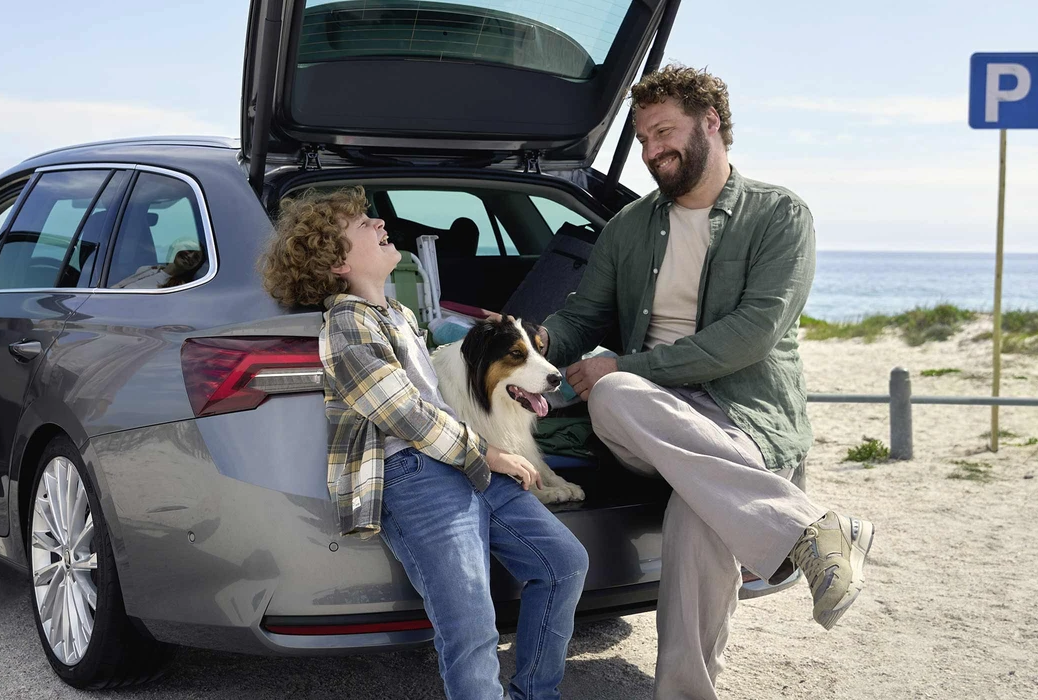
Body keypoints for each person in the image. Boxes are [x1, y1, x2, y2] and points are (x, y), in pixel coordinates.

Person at [538, 65, 877, 699]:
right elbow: (587, 315)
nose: (651, 150)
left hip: (744, 415)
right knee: (612, 395)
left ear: (712, 123)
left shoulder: (779, 216)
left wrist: (627, 365)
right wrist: (538, 341)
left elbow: (752, 334)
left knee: (698, 513)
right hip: (645, 416)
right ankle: (812, 528)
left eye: (663, 131)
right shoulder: (629, 227)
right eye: (641, 138)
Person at [259, 187, 588, 699]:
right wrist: (488, 453)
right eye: (361, 223)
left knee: (564, 562)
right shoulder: (346, 324)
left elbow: (435, 392)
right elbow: (404, 414)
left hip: (457, 463)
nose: (377, 223)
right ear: (337, 262)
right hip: (414, 475)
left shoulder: (398, 315)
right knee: (471, 619)